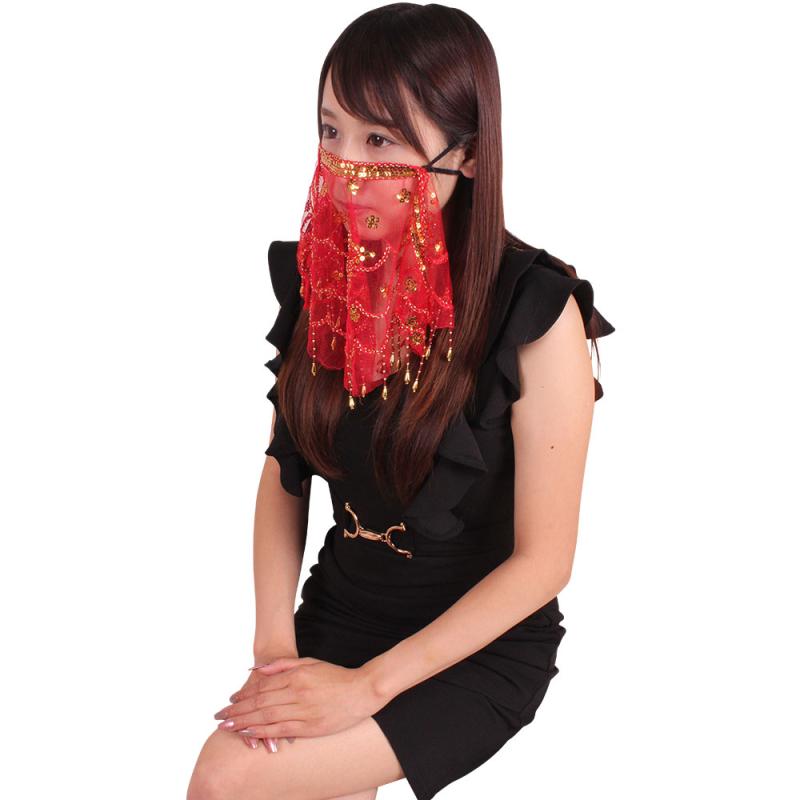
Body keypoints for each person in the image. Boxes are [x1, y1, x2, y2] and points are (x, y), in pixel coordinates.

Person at [188, 4, 615, 799]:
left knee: (227, 780)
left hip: (477, 641)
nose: (346, 166)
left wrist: (367, 688)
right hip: (345, 606)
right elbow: (284, 473)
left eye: (380, 140)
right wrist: (275, 649)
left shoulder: (537, 312)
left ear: (471, 155)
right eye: (331, 131)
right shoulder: (324, 275)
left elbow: (545, 562)